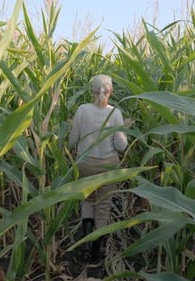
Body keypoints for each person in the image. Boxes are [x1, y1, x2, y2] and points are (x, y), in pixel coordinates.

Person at [68, 74, 128, 263]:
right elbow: (121, 146)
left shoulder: (82, 110)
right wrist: (125, 130)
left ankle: (85, 245)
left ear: (91, 92)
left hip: (85, 163)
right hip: (108, 165)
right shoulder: (115, 113)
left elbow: (73, 140)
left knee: (87, 201)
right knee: (102, 206)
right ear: (110, 92)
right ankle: (96, 252)